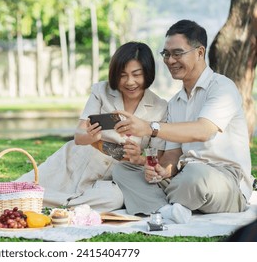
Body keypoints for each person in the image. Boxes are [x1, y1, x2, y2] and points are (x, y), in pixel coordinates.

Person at [112, 19, 254, 223]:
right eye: (166, 54)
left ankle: (159, 205)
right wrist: (161, 171)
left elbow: (204, 130)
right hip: (184, 175)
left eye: (177, 53)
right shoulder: (175, 102)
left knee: (194, 176)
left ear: (199, 52)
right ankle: (170, 210)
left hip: (224, 179)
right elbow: (172, 156)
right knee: (123, 170)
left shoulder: (222, 87)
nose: (170, 60)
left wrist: (150, 128)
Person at [16, 41, 168, 212]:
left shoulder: (160, 107)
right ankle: (48, 203)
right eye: (123, 75)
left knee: (113, 200)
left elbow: (158, 160)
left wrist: (138, 158)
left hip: (114, 175)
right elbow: (79, 136)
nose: (129, 82)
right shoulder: (101, 91)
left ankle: (47, 203)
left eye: (136, 74)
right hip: (78, 158)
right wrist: (90, 136)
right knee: (21, 188)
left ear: (148, 73)